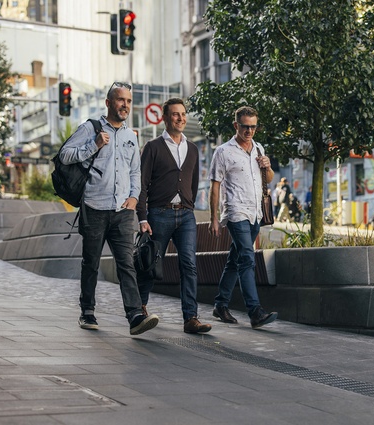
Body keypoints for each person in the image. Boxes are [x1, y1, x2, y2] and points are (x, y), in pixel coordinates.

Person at [58, 81, 158, 335]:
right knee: (91, 262)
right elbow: (64, 155)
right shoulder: (90, 128)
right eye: (120, 100)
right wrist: (94, 145)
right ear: (108, 103)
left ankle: (135, 315)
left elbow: (135, 172)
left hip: (123, 211)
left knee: (127, 263)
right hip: (94, 206)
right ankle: (87, 311)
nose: (124, 105)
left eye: (128, 101)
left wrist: (134, 197)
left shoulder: (130, 136)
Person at [136, 98, 211, 334]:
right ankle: (140, 307)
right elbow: (142, 184)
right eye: (175, 114)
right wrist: (142, 217)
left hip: (186, 216)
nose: (180, 118)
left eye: (183, 114)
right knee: (151, 263)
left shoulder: (193, 148)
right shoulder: (153, 147)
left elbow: (194, 181)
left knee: (189, 265)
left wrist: (189, 205)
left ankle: (191, 318)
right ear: (165, 118)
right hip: (159, 214)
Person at [208, 106, 278, 329]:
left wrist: (267, 167)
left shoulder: (259, 148)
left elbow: (268, 178)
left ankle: (220, 304)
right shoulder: (223, 151)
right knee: (247, 258)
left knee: (235, 260)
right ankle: (255, 311)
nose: (249, 131)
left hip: (256, 212)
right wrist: (214, 218)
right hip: (236, 212)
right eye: (245, 126)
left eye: (253, 126)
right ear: (236, 125)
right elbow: (215, 186)